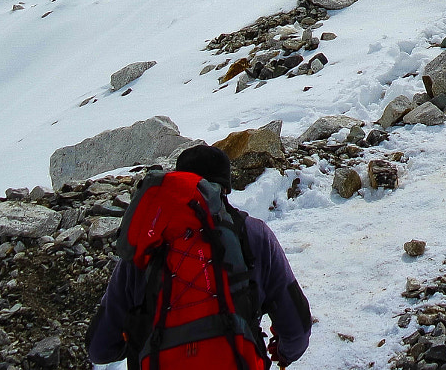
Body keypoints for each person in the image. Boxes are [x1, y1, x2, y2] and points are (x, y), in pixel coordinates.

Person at [87, 144, 314, 368]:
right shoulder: (253, 234)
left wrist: (144, 340)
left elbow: (100, 348)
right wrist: (285, 354)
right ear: (225, 188)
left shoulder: (146, 240)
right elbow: (297, 328)